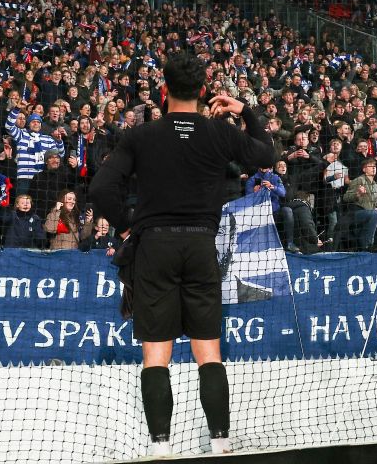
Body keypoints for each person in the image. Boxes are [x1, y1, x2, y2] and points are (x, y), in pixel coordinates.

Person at [89, 52, 274, 456]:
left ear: (163, 90)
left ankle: (160, 447)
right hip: (200, 245)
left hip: (154, 245)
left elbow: (101, 188)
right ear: (205, 92)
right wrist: (244, 109)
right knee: (208, 349)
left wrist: (127, 225)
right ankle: (221, 442)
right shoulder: (218, 133)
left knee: (156, 354)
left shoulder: (141, 135)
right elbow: (266, 154)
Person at [340, 158, 377, 251]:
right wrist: (357, 194)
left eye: (374, 166)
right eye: (370, 166)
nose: (373, 168)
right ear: (364, 169)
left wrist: (375, 209)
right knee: (375, 214)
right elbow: (346, 197)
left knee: (376, 213)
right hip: (356, 213)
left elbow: (373, 204)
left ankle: (367, 247)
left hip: (368, 214)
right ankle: (367, 245)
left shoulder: (375, 186)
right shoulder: (359, 180)